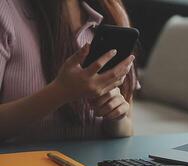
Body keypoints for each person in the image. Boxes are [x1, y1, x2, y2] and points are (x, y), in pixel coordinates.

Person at [0, 0, 139, 143]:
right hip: (22, 163)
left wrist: (115, 117)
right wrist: (61, 92)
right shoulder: (6, 10)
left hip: (93, 164)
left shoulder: (112, 11)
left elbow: (128, 128)